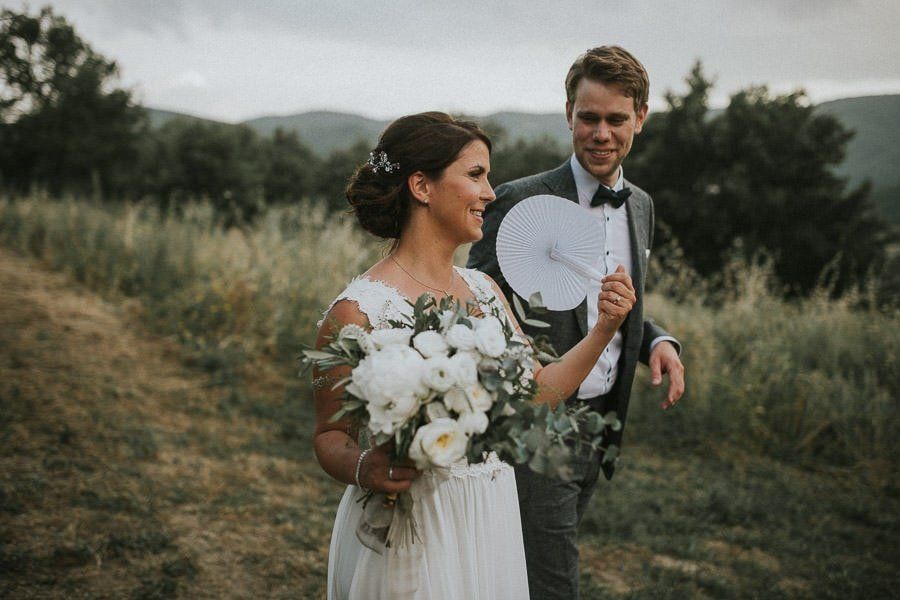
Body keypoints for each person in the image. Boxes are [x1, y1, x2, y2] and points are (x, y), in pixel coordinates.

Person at [313, 112, 637, 599]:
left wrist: (604, 329)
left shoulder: (484, 290)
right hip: (412, 525)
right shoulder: (357, 312)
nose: (490, 192)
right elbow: (330, 435)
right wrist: (368, 468)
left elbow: (536, 394)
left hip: (488, 513)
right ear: (422, 186)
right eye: (475, 175)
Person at [467, 46, 686, 599]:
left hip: (603, 424)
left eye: (616, 119)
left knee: (524, 573)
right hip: (538, 426)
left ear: (641, 117)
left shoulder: (641, 206)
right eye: (588, 118)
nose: (601, 133)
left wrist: (656, 339)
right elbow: (479, 307)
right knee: (553, 583)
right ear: (569, 113)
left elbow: (612, 302)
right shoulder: (518, 201)